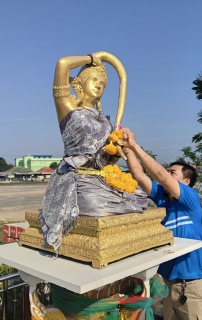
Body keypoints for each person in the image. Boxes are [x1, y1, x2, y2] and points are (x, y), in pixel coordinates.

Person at [40, 52, 147, 253]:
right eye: (94, 80)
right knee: (96, 205)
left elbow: (107, 160)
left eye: (104, 84)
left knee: (139, 197)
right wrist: (92, 59)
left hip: (102, 177)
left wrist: (116, 149)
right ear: (80, 84)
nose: (99, 86)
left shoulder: (105, 120)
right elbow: (62, 64)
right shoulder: (69, 109)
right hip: (77, 177)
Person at [121, 128, 202, 320]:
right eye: (168, 171)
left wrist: (136, 145)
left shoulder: (189, 198)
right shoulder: (162, 199)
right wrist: (127, 149)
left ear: (186, 181)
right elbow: (139, 175)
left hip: (193, 283)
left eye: (173, 173)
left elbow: (161, 176)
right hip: (168, 281)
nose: (167, 175)